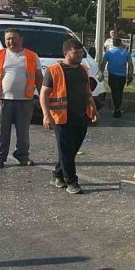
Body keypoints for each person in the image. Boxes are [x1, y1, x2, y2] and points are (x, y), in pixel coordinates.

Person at [0, 28, 43, 169]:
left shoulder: (31, 56)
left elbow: (39, 78)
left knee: (23, 132)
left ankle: (22, 156)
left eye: (13, 38)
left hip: (25, 101)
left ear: (21, 39)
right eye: (8, 39)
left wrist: (43, 97)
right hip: (2, 99)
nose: (11, 41)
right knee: (0, 131)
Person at [41, 39, 98, 195]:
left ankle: (57, 175)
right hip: (62, 117)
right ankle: (71, 181)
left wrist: (93, 109)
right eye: (76, 52)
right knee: (66, 150)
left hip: (81, 116)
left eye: (81, 52)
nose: (79, 55)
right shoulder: (54, 70)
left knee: (72, 150)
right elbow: (44, 93)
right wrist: (47, 115)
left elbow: (87, 92)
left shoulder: (84, 69)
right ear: (66, 53)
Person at [98, 37, 133, 118]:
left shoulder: (109, 53)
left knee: (115, 92)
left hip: (113, 76)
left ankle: (117, 109)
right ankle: (118, 109)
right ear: (120, 43)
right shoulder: (126, 53)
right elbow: (130, 65)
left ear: (113, 44)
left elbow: (103, 64)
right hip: (122, 76)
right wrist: (130, 75)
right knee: (120, 92)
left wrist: (101, 73)